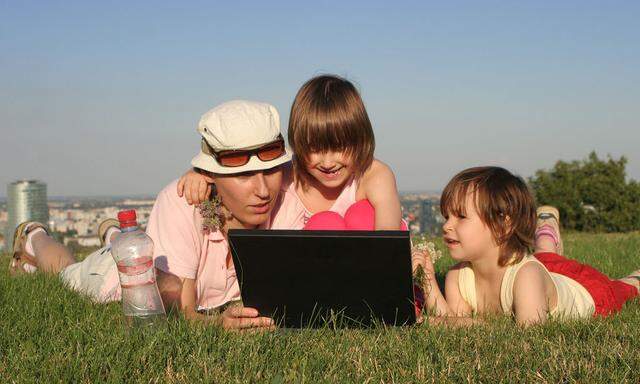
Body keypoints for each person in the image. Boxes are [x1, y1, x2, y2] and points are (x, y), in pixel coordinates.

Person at [9, 100, 293, 331]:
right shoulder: (183, 202)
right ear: (211, 174)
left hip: (155, 250)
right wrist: (220, 325)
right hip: (123, 275)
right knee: (65, 272)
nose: (262, 190)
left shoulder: (287, 192)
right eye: (242, 175)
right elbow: (183, 313)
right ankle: (34, 235)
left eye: (271, 171)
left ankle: (115, 234)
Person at [412, 166, 640, 326]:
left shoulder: (526, 276)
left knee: (621, 289)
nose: (447, 226)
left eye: (460, 217)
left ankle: (635, 278)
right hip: (542, 266)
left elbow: (529, 331)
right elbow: (453, 320)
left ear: (503, 224)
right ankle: (546, 233)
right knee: (545, 257)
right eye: (446, 216)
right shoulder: (457, 275)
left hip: (587, 289)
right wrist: (428, 280)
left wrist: (439, 322)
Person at [178, 75, 404, 231]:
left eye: (338, 147)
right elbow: (241, 171)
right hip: (311, 279)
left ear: (360, 139)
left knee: (360, 216)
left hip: (376, 269)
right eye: (314, 149)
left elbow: (388, 237)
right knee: (325, 225)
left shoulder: (374, 175)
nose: (327, 162)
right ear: (298, 144)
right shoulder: (287, 173)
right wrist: (198, 172)